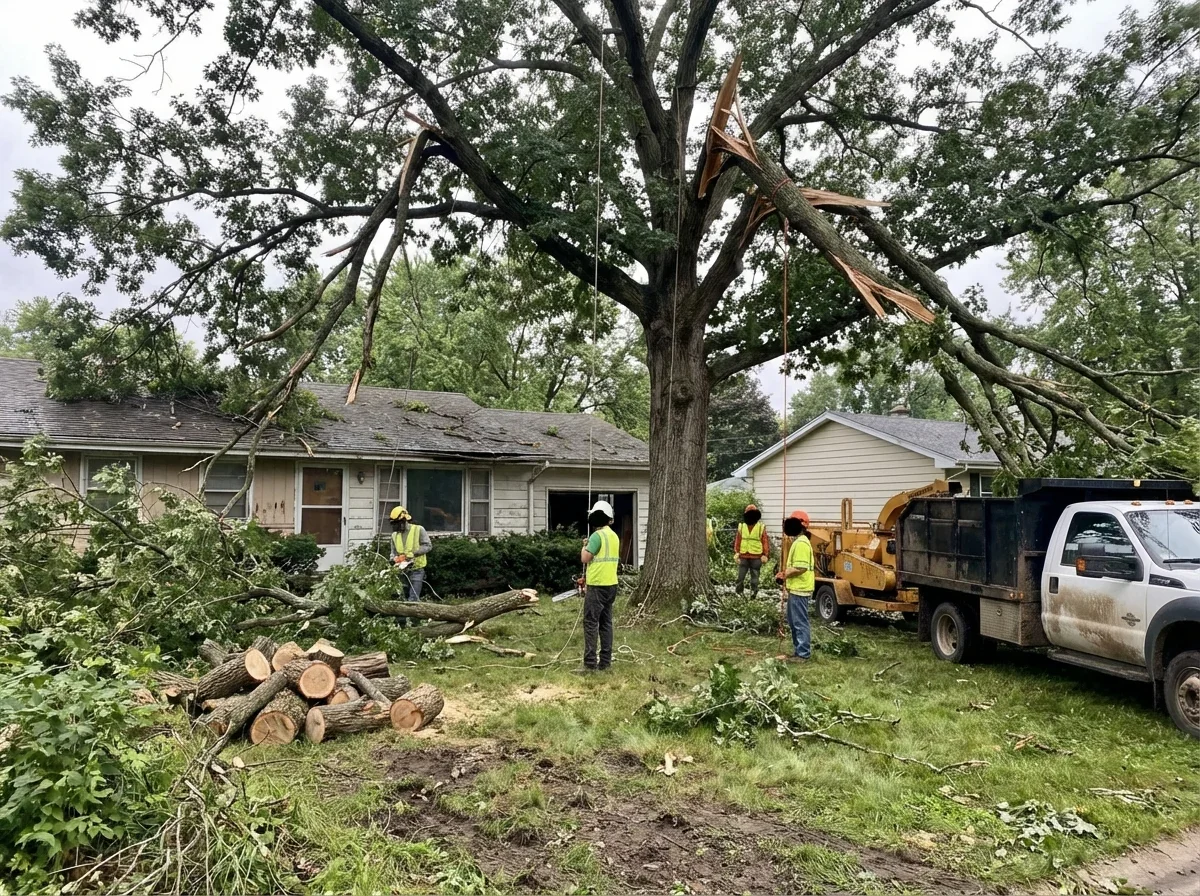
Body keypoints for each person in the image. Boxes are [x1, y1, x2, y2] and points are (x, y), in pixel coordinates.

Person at [580, 499, 620, 672]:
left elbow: (585, 558)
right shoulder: (614, 536)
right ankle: (605, 662)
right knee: (606, 624)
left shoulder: (597, 536)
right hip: (611, 585)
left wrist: (585, 547)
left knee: (590, 623)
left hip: (597, 585)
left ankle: (590, 664)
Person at [776, 509, 813, 662]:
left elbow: (801, 567)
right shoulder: (798, 542)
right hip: (796, 589)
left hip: (801, 589)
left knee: (799, 621)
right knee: (793, 621)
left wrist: (785, 574)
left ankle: (803, 654)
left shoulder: (802, 544)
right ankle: (798, 651)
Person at [389, 506, 432, 601]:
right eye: (393, 524)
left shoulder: (418, 530)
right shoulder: (394, 535)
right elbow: (393, 552)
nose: (395, 526)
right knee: (402, 597)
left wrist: (413, 553)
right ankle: (404, 616)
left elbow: (428, 546)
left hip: (416, 569)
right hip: (402, 571)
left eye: (397, 523)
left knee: (413, 598)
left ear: (404, 521)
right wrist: (394, 558)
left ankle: (412, 615)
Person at [733, 504, 769, 597]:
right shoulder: (742, 527)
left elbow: (764, 541)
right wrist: (737, 552)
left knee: (754, 577)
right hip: (743, 556)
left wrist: (765, 554)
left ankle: (753, 592)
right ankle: (739, 593)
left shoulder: (761, 527)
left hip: (756, 557)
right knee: (741, 577)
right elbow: (738, 540)